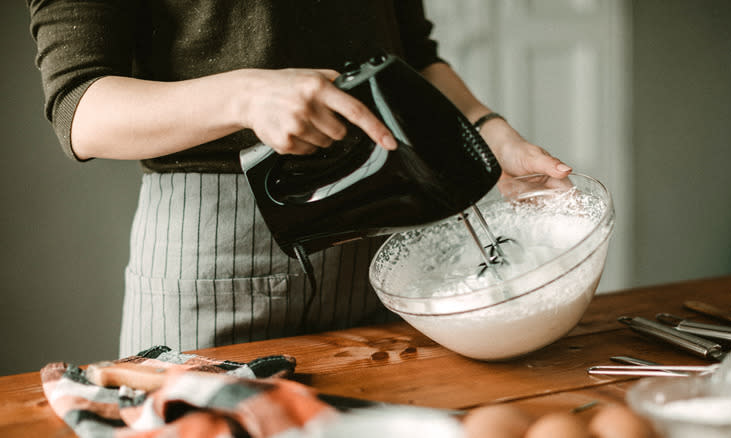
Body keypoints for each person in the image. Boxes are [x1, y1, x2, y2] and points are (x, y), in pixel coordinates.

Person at [28, 0, 572, 358]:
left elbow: (416, 56)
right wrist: (245, 95)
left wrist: (487, 131)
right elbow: (80, 109)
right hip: (214, 253)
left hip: (392, 238)